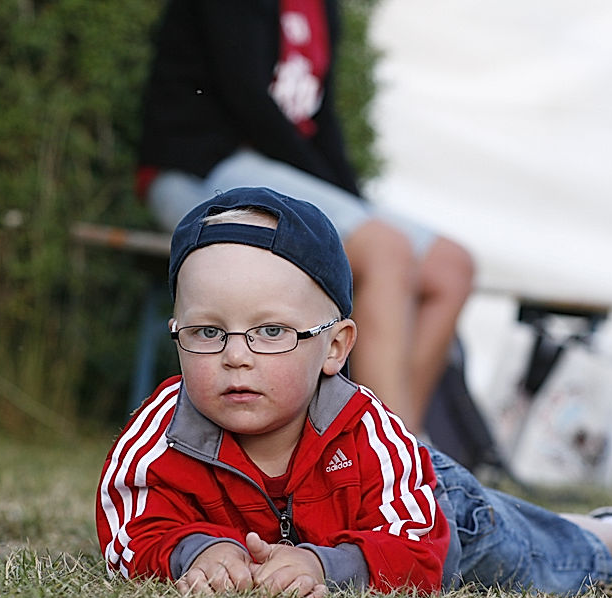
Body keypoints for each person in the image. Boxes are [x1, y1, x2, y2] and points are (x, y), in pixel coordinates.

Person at [95, 187, 612, 597]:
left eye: (270, 331)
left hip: (442, 518)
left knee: (540, 560)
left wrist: (327, 567)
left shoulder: (368, 429)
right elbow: (128, 524)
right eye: (207, 331)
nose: (235, 354)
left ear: (335, 348)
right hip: (379, 526)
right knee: (533, 534)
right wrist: (193, 552)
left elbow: (419, 547)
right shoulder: (161, 435)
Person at [134, 0, 475, 431]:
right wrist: (343, 208)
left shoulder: (320, 6)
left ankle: (403, 444)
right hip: (198, 165)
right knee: (385, 250)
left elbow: (319, 122)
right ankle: (385, 460)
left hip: (274, 165)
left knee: (451, 267)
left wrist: (353, 203)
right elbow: (249, 103)